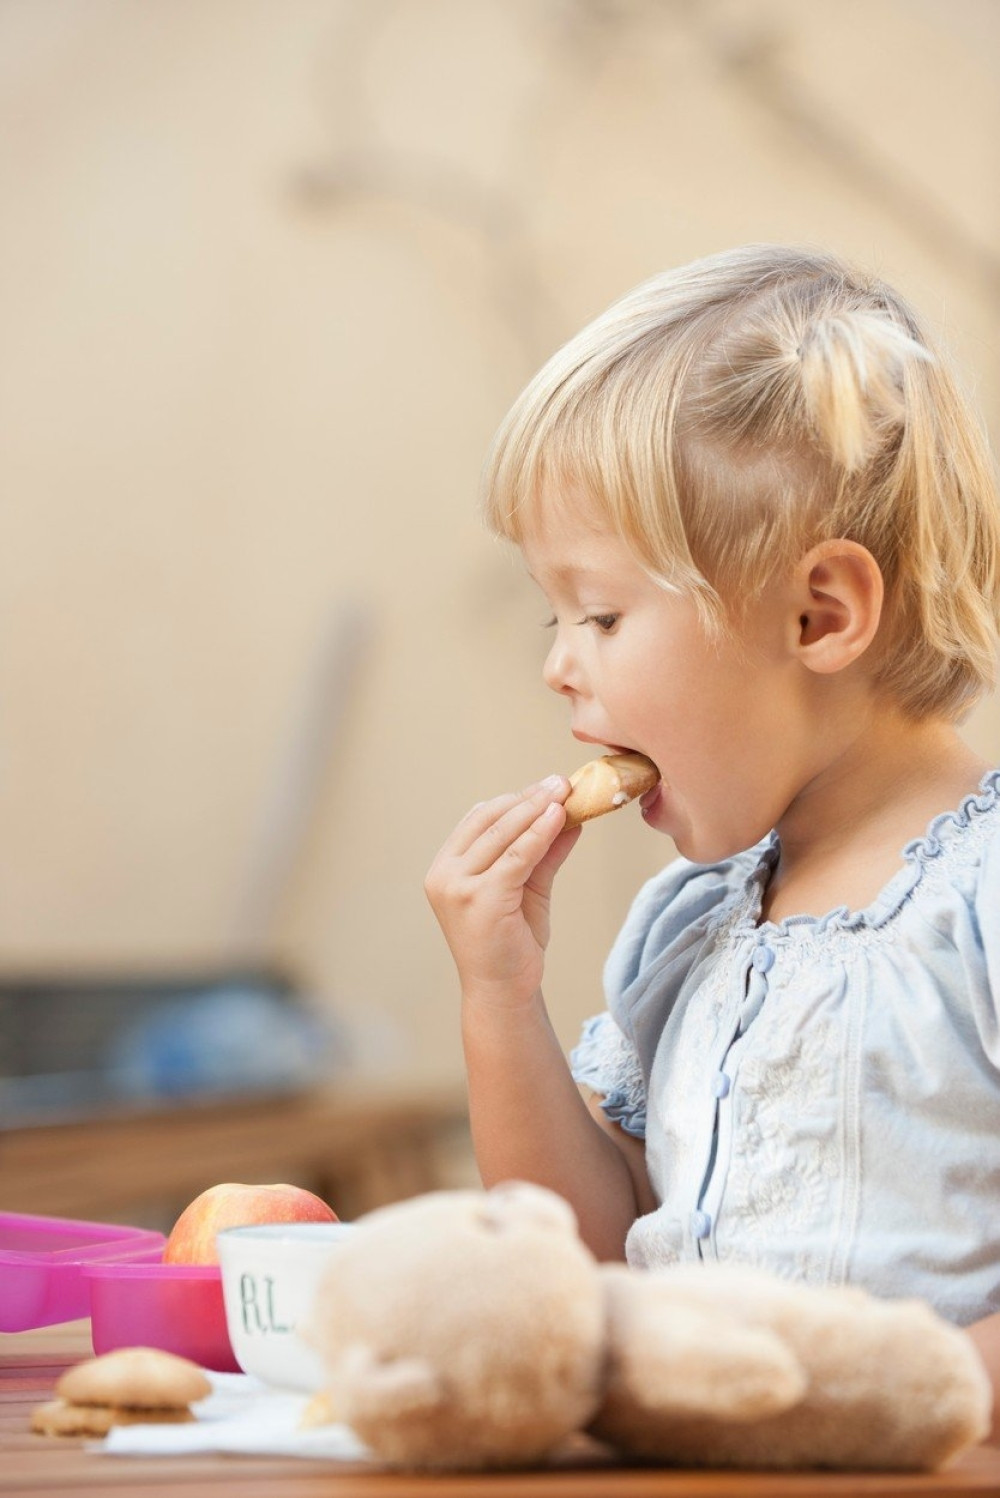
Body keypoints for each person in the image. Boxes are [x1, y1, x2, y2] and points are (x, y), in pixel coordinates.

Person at [424, 244, 1000, 1424]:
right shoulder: (689, 925)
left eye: (600, 614)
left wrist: (907, 1401)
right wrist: (499, 994)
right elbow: (581, 1260)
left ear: (817, 614)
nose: (558, 665)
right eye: (551, 616)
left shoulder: (979, 901)